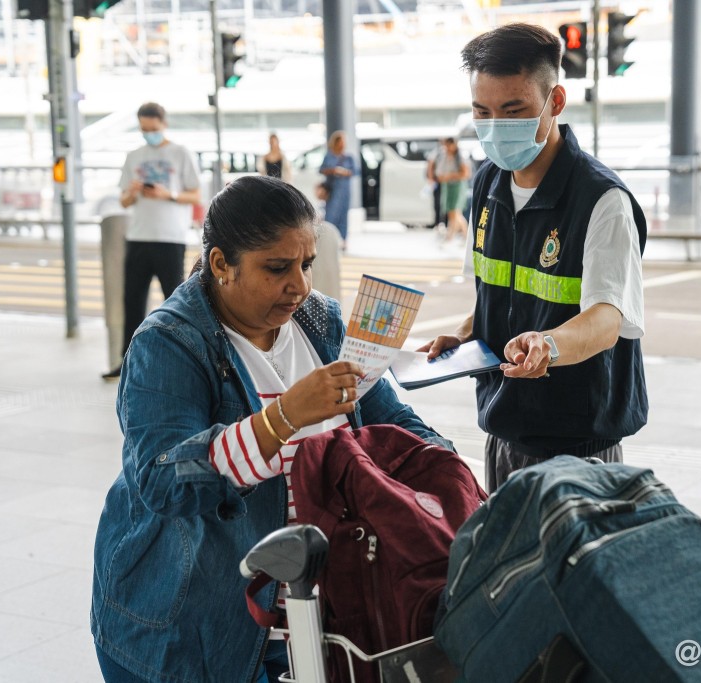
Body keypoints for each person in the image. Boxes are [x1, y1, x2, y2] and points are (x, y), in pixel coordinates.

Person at [90, 175, 453, 683]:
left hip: (311, 620)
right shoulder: (169, 343)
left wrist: (449, 477)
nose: (300, 286)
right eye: (278, 268)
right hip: (192, 628)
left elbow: (394, 421)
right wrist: (283, 417)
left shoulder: (320, 322)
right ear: (221, 265)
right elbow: (162, 480)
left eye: (306, 264)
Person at [420, 23, 648, 493]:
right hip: (504, 426)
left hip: (577, 447)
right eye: (482, 111)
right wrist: (463, 334)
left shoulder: (601, 200)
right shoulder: (488, 183)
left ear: (555, 102)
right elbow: (499, 294)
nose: (495, 126)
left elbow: (607, 319)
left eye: (514, 110)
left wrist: (549, 345)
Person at [102, 102, 201, 381]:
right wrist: (133, 192)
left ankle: (182, 362)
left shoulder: (181, 154)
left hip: (170, 237)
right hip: (138, 236)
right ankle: (127, 363)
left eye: (153, 129)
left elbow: (195, 195)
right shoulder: (134, 156)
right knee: (132, 302)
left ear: (164, 124)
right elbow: (123, 200)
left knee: (176, 302)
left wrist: (167, 194)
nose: (149, 134)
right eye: (144, 130)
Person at [319, 130, 356, 246]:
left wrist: (344, 172)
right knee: (330, 214)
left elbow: (355, 171)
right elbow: (321, 169)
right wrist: (333, 170)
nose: (342, 144)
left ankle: (343, 240)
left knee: (343, 215)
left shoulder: (348, 157)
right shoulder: (329, 156)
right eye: (340, 141)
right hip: (333, 190)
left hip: (345, 190)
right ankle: (327, 239)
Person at [434, 137, 471, 245]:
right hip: (447, 186)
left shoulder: (460, 157)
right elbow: (439, 172)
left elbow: (465, 174)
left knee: (455, 211)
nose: (446, 148)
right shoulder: (444, 156)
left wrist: (450, 176)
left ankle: (451, 237)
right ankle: (463, 236)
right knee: (452, 212)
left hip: (457, 186)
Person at [425, 139, 446, 230]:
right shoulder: (437, 152)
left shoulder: (442, 151)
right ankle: (439, 222)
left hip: (444, 180)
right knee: (438, 202)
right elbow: (430, 165)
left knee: (442, 203)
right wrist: (431, 179)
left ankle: (442, 222)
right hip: (439, 180)